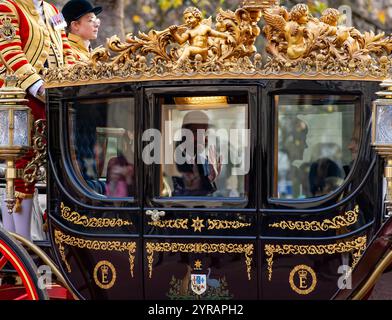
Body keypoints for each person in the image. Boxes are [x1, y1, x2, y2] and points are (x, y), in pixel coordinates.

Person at [0, 0, 75, 240]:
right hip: (20, 97)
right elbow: (10, 50)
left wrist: (73, 84)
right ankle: (20, 247)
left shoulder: (53, 11)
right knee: (20, 170)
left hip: (53, 98)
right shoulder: (8, 6)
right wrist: (38, 87)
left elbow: (66, 49)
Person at [173, 111, 222, 196]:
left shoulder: (201, 156)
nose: (203, 138)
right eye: (196, 132)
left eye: (204, 132)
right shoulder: (181, 155)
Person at [169, 7, 234, 67]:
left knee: (188, 49)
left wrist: (228, 36)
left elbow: (218, 34)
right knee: (185, 50)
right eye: (185, 19)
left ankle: (178, 64)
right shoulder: (188, 32)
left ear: (197, 17)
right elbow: (181, 41)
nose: (187, 20)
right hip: (192, 54)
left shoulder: (205, 28)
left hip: (203, 52)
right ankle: (181, 63)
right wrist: (174, 33)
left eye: (190, 17)